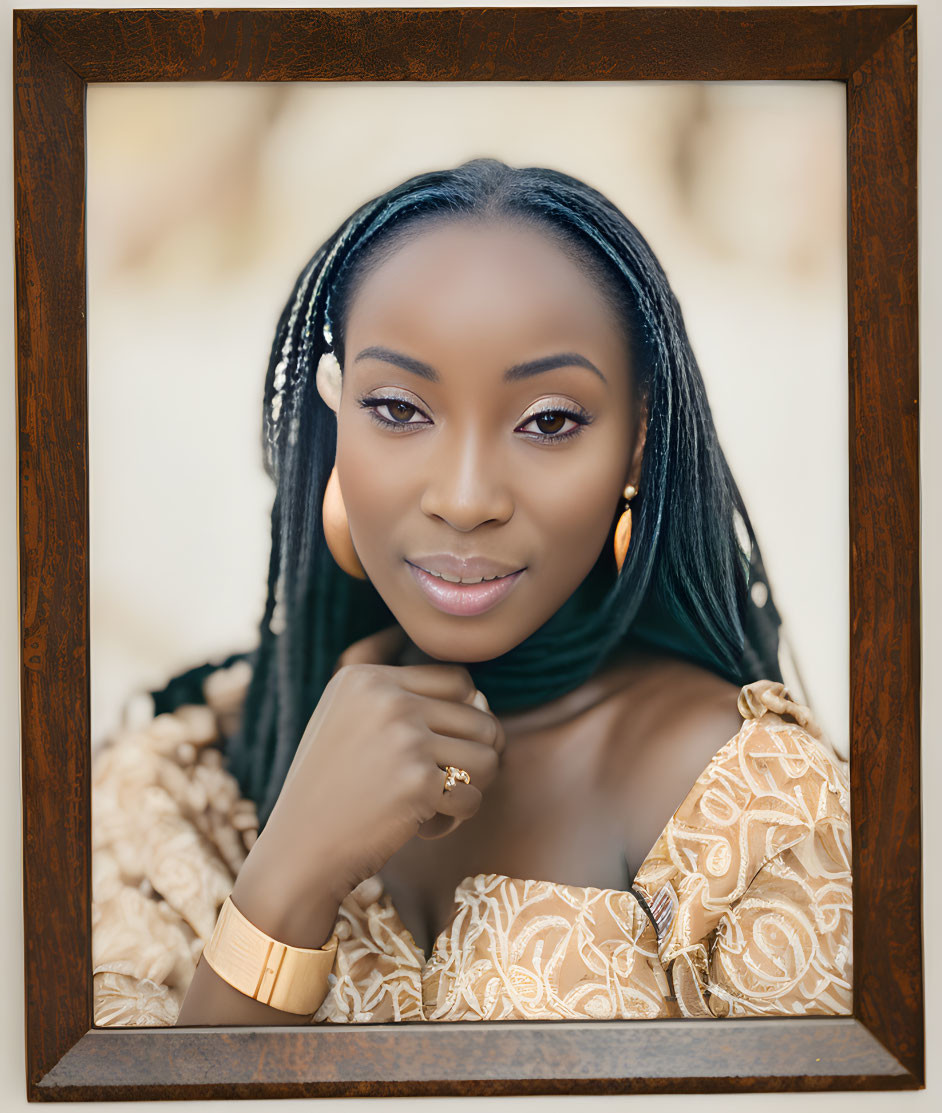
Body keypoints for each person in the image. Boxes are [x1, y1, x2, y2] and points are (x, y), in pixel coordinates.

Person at [91, 157, 852, 1027]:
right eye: (399, 408)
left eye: (550, 421)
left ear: (638, 443)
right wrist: (286, 876)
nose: (464, 497)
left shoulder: (759, 807)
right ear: (335, 413)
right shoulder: (170, 792)